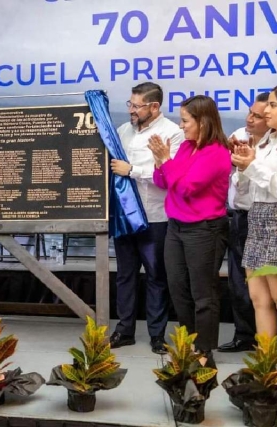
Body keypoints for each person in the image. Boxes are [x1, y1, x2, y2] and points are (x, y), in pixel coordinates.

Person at [149, 95, 230, 359]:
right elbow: (164, 182)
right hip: (176, 227)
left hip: (204, 230)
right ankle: (189, 342)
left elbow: (185, 188)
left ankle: (205, 350)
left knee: (203, 293)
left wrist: (167, 161)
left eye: (185, 121)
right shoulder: (185, 147)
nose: (181, 126)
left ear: (203, 122)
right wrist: (159, 161)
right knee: (178, 288)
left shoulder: (217, 152)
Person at [109, 82, 184, 354]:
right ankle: (124, 330)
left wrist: (132, 170)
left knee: (156, 276)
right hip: (125, 216)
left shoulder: (173, 133)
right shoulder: (122, 131)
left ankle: (157, 335)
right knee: (124, 276)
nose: (131, 110)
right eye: (130, 104)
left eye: (137, 106)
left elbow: (168, 176)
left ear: (154, 106)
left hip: (156, 217)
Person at [231, 83, 277, 369]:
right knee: (258, 297)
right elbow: (248, 185)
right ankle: (265, 363)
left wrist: (252, 167)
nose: (266, 110)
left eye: (274, 105)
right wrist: (243, 166)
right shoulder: (265, 142)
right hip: (258, 218)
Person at [218, 93, 270, 353]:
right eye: (250, 112)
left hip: (265, 218)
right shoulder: (238, 134)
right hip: (236, 215)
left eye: (257, 116)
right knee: (237, 280)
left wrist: (248, 165)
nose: (249, 119)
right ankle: (243, 335)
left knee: (267, 284)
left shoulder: (275, 146)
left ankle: (271, 343)